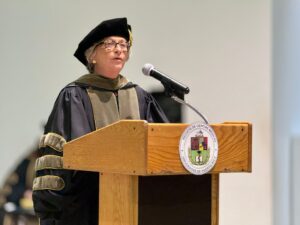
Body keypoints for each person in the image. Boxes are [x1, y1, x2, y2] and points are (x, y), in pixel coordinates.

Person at [32, 17, 168, 225]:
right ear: (92, 56)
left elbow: (162, 146)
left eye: (124, 45)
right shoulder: (74, 96)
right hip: (86, 209)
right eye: (111, 44)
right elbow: (60, 160)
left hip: (137, 206)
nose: (119, 50)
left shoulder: (140, 97)